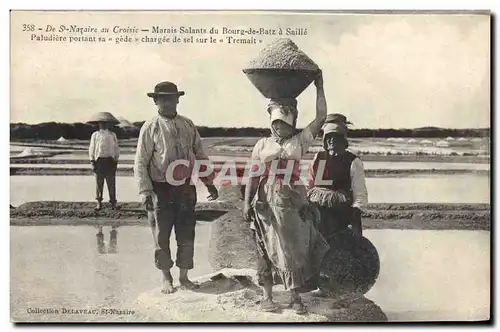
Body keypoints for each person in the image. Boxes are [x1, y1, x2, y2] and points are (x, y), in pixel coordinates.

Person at [243, 71, 329, 314]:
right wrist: (246, 202)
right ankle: (267, 296)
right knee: (266, 243)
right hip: (266, 200)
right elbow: (253, 174)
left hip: (292, 199)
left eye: (283, 123)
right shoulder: (262, 145)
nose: (279, 127)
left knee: (293, 246)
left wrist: (319, 88)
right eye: (276, 123)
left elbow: (321, 117)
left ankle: (295, 296)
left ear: (291, 122)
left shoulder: (300, 140)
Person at [134, 81, 219, 294]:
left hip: (185, 188)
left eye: (170, 98)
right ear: (155, 101)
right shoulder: (151, 126)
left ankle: (184, 277)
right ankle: (166, 278)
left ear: (178, 99)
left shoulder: (187, 124)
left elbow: (200, 154)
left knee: (186, 233)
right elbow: (140, 161)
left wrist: (209, 182)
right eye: (162, 98)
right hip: (161, 188)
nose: (167, 102)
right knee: (161, 236)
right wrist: (145, 191)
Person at [307, 114, 368, 240]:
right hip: (316, 211)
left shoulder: (352, 161)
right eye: (329, 136)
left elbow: (360, 193)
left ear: (343, 140)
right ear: (324, 140)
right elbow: (310, 184)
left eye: (336, 137)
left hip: (340, 213)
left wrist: (355, 214)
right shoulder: (319, 158)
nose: (332, 140)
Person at [88, 114, 120, 211]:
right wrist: (92, 161)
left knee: (111, 183)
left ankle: (113, 203)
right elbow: (92, 148)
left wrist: (116, 160)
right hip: (99, 161)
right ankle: (99, 203)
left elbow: (116, 148)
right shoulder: (95, 135)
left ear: (108, 124)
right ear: (98, 124)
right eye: (101, 123)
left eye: (105, 123)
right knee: (99, 183)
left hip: (110, 161)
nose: (103, 124)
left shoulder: (112, 135)